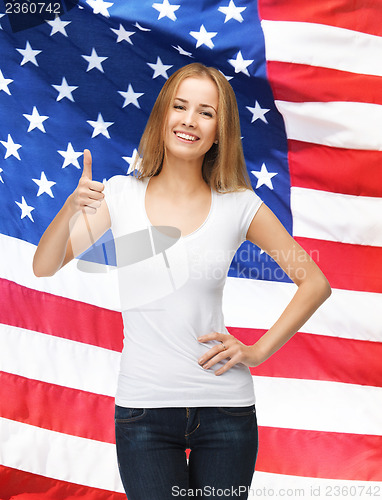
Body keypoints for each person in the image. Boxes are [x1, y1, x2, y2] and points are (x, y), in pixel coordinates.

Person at [33, 62, 331, 499]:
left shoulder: (239, 205)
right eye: (180, 107)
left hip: (225, 414)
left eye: (206, 112)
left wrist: (258, 350)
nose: (189, 120)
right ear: (163, 116)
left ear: (218, 131)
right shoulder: (119, 195)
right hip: (144, 415)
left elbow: (315, 283)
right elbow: (44, 265)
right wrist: (70, 207)